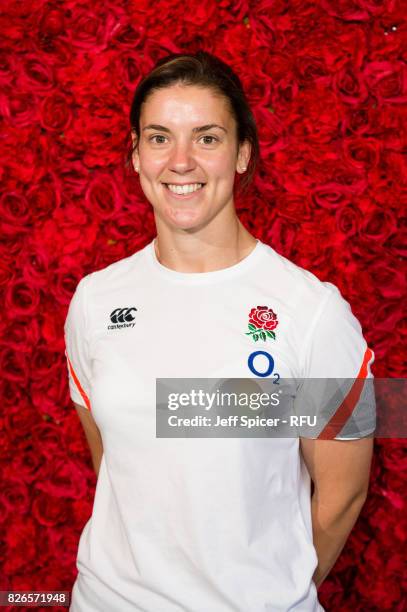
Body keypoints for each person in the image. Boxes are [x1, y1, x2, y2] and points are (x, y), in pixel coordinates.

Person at [64, 51, 375, 612]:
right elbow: (113, 459)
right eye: (159, 138)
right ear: (135, 156)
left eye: (207, 138)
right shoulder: (94, 300)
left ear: (242, 154)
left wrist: (268, 593)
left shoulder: (316, 312)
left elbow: (344, 494)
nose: (180, 161)